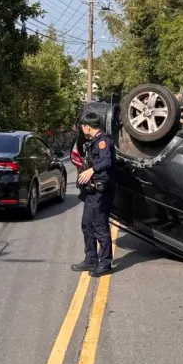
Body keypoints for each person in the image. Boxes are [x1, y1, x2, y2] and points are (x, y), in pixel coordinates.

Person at [72, 112, 114, 277]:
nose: (82, 129)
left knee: (99, 227)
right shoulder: (93, 141)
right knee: (87, 225)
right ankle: (91, 259)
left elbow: (106, 162)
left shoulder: (103, 141)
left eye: (83, 126)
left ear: (87, 126)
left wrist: (91, 170)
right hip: (91, 191)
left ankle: (105, 263)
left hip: (100, 191)